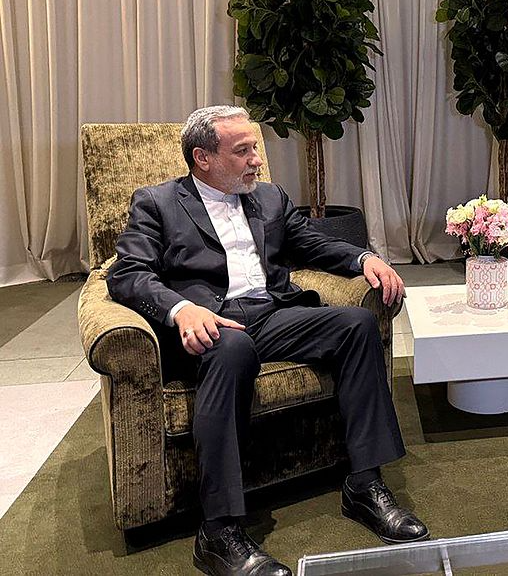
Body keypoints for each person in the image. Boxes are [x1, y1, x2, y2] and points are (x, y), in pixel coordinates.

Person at [107, 105, 428, 576]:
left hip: (272, 313)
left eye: (255, 146)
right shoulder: (156, 203)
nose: (257, 158)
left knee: (356, 326)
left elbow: (312, 244)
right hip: (210, 324)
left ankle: (363, 484)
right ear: (203, 158)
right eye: (243, 150)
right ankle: (218, 532)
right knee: (233, 349)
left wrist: (363, 259)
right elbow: (127, 273)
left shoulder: (269, 198)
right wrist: (182, 309)